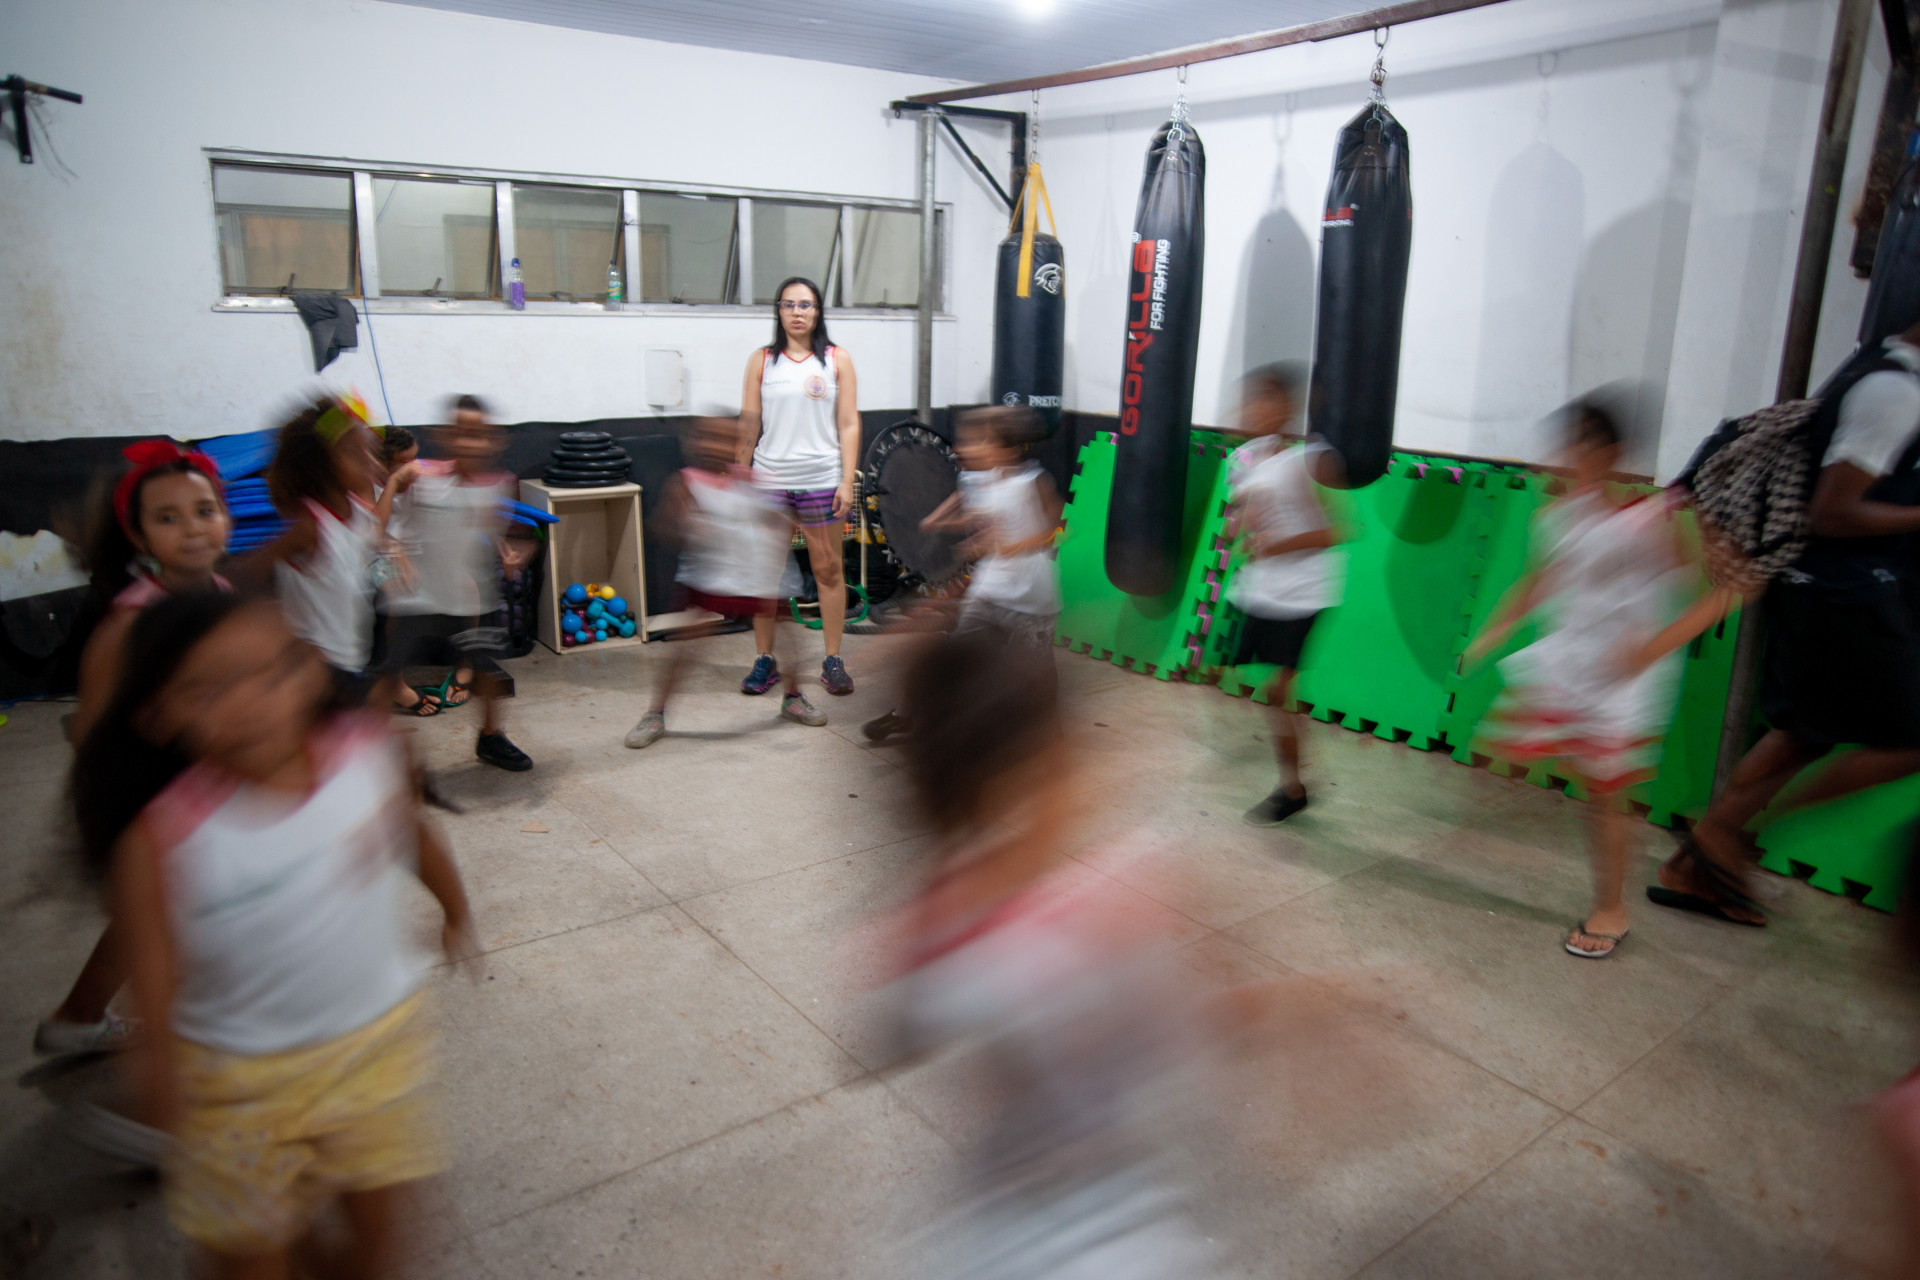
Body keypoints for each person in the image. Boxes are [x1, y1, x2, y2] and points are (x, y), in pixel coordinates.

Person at [71, 592, 475, 1278]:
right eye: (210, 689)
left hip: (374, 1056)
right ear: (159, 714)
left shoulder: (369, 755)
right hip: (233, 1087)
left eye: (275, 671)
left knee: (377, 1248)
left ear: (312, 670)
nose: (252, 703)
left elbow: (411, 834)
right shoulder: (161, 839)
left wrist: (455, 910)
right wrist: (159, 1080)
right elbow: (154, 977)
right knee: (254, 1262)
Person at [879, 631, 1220, 1279]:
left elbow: (898, 1032)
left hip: (985, 1228)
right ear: (1038, 772)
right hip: (1107, 1239)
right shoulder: (1109, 909)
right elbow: (1178, 1050)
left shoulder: (937, 917)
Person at [1655, 322, 1920, 925]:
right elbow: (1833, 512)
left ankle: (1699, 867)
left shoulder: (1882, 374)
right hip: (1843, 593)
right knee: (1908, 740)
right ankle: (1730, 839)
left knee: (1803, 733)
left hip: (1825, 587)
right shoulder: (1895, 392)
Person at [1466, 401, 1735, 958]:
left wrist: (1650, 648)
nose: (1565, 457)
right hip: (1572, 664)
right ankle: (1607, 839)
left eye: (1580, 445)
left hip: (1624, 679)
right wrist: (1493, 631)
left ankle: (1611, 909)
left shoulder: (1648, 520)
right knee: (1504, 754)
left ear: (1611, 454)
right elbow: (1540, 580)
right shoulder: (1559, 515)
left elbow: (1706, 594)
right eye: (1563, 445)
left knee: (1605, 795)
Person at [35, 441, 233, 1059]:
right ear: (140, 537)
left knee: (157, 919)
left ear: (225, 516)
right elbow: (94, 734)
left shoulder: (219, 593)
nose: (192, 529)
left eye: (203, 510)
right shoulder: (129, 624)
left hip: (204, 791)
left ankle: (78, 1018)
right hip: (150, 799)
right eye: (167, 518)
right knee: (171, 921)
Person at [624, 414, 827, 748]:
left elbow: (775, 517)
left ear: (736, 444)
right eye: (709, 437)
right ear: (694, 442)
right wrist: (684, 525)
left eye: (724, 439)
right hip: (710, 578)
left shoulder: (752, 480)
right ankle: (655, 714)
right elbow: (660, 527)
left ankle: (793, 697)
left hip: (756, 576)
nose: (715, 445)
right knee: (685, 648)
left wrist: (795, 524)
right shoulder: (685, 482)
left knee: (790, 639)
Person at [862, 406, 1062, 743]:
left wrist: (1015, 545)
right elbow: (977, 515)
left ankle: (1046, 738)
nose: (967, 448)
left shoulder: (1034, 482)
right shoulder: (982, 478)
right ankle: (905, 715)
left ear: (1009, 450)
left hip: (1033, 599)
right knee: (952, 659)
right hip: (990, 591)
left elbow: (1058, 529)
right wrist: (948, 525)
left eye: (981, 441)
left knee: (1037, 671)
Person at [1222, 365, 1345, 825]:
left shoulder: (1309, 461)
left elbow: (1336, 531)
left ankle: (1292, 788)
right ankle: (1293, 776)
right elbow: (1240, 520)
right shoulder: (1244, 461)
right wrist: (1241, 526)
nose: (1253, 411)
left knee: (1278, 689)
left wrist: (1279, 544)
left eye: (1264, 401)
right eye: (1249, 401)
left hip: (1304, 591)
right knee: (1268, 693)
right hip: (1265, 588)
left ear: (1287, 408)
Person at [383, 394, 533, 769]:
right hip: (416, 597)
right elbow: (380, 525)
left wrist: (513, 553)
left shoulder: (498, 483)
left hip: (465, 598)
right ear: (445, 436)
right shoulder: (421, 477)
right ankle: (367, 755)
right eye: (461, 433)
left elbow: (504, 532)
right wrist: (395, 551)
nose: (470, 442)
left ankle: (491, 738)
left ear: (493, 440)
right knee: (383, 674)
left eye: (478, 434)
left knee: (488, 674)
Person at [737, 276, 861, 698]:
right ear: (778, 311)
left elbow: (849, 423)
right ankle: (764, 659)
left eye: (805, 304)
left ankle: (833, 660)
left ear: (818, 311)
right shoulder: (761, 361)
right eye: (788, 304)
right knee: (766, 573)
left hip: (821, 480)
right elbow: (749, 422)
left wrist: (847, 480)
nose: (796, 312)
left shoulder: (837, 359)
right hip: (770, 481)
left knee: (828, 569)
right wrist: (740, 476)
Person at [266, 396, 395, 708]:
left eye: (371, 450)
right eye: (353, 452)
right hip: (314, 675)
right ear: (320, 463)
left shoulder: (361, 516)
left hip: (353, 666)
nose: (369, 460)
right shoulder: (309, 525)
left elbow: (369, 565)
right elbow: (248, 575)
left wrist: (393, 579)